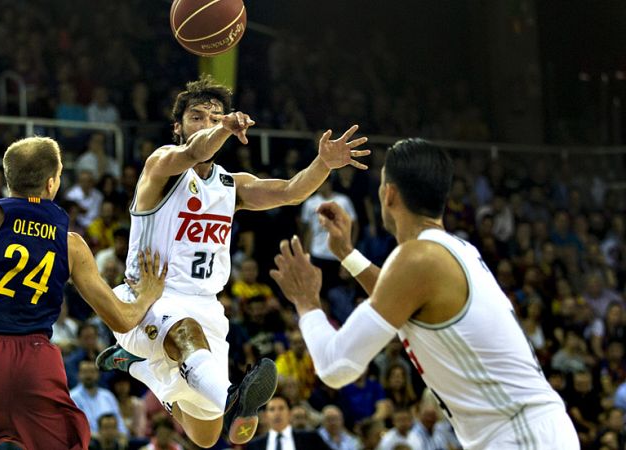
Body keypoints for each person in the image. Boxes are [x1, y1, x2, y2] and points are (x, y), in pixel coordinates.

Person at [96, 76, 370, 447]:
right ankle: (231, 397)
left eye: (215, 117)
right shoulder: (160, 165)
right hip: (147, 297)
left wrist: (323, 164)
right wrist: (223, 128)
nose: (207, 124)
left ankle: (137, 366)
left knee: (205, 435)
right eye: (197, 117)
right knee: (188, 339)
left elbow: (290, 193)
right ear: (178, 126)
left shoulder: (231, 184)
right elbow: (193, 153)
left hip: (206, 305)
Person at [269, 138, 579, 450]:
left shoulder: (417, 259)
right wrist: (348, 255)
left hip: (520, 434)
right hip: (529, 430)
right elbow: (398, 299)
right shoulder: (455, 249)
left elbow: (335, 367)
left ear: (389, 194)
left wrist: (306, 302)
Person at [0, 137, 168, 449]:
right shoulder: (72, 245)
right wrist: (148, 294)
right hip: (35, 360)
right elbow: (123, 320)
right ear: (52, 183)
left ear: (7, 178)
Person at [245, 395, 328, 450]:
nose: (277, 413)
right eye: (272, 409)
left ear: (289, 413)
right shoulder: (254, 446)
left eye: (281, 408)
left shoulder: (311, 438)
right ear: (266, 416)